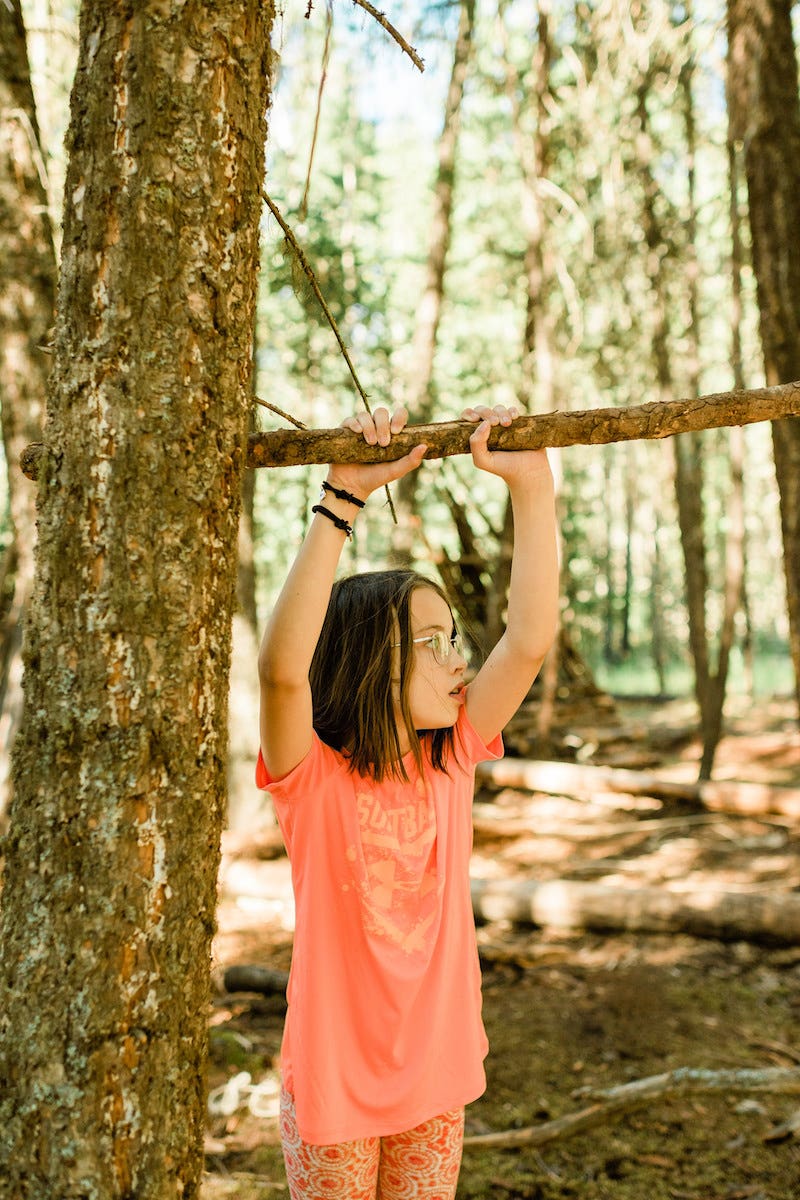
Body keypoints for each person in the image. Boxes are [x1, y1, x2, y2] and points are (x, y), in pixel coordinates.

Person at [256, 403, 559, 1200]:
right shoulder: (311, 781)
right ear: (366, 661)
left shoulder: (452, 757)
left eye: (455, 636)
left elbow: (526, 639)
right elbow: (283, 673)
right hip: (334, 1088)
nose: (459, 659)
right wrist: (339, 502)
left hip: (435, 1075)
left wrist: (531, 484)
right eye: (434, 642)